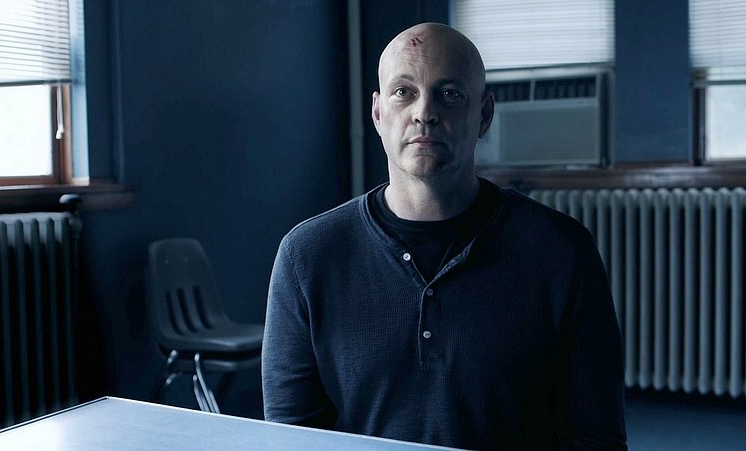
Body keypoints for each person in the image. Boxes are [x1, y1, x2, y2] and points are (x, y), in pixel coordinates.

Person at [262, 22, 627, 451]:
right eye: (404, 92)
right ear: (378, 114)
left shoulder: (561, 251)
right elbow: (292, 436)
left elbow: (596, 438)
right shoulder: (307, 256)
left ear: (484, 115)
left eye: (449, 94)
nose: (424, 113)